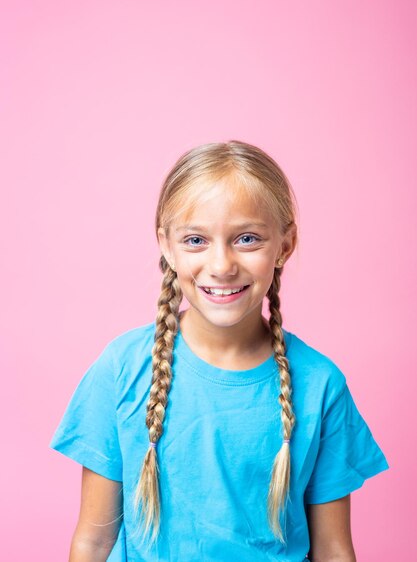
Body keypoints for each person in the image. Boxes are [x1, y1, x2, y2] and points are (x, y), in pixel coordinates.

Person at [50, 140, 389, 562]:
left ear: (284, 245)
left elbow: (334, 550)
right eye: (196, 240)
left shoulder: (321, 385)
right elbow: (92, 541)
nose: (222, 265)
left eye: (246, 238)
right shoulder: (122, 369)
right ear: (167, 246)